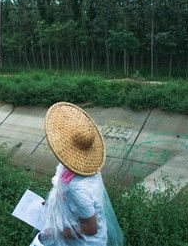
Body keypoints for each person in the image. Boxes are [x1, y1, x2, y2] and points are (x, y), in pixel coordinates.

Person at [32, 102, 123, 246]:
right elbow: (63, 190)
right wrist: (52, 203)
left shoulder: (78, 188)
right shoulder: (79, 165)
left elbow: (90, 228)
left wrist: (56, 231)